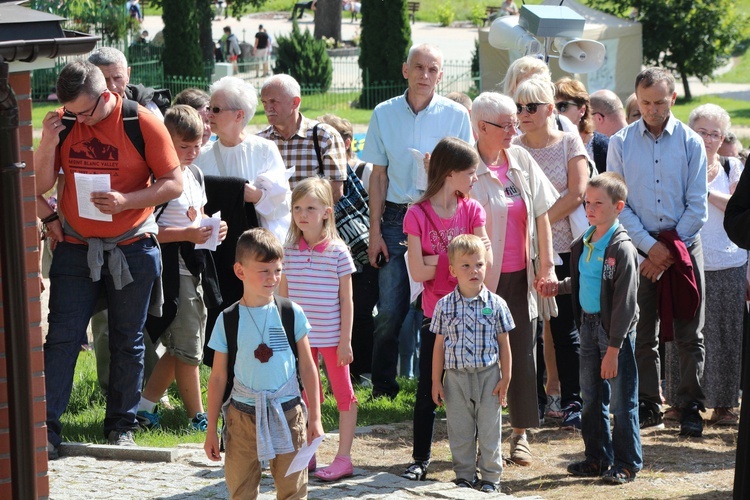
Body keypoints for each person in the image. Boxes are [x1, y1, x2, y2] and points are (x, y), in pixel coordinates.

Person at [36, 61, 182, 455]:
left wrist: (126, 201)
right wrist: (49, 140)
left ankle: (121, 426)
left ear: (107, 96)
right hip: (76, 247)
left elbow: (174, 183)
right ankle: (46, 430)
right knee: (63, 338)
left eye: (86, 112)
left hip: (132, 247)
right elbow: (40, 185)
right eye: (73, 112)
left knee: (127, 339)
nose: (81, 120)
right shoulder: (64, 123)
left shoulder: (142, 121)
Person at [361, 43, 472, 401]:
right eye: (419, 67)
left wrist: (436, 172)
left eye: (433, 69)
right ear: (405, 70)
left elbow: (466, 173)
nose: (425, 75)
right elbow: (378, 176)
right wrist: (374, 231)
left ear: (441, 75)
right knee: (390, 309)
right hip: (395, 215)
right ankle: (383, 387)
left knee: (445, 305)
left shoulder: (456, 115)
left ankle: (439, 385)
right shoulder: (383, 113)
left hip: (441, 216)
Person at [608, 67, 708, 437]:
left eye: (659, 102)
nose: (651, 109)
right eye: (645, 103)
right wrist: (650, 249)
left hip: (683, 246)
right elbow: (620, 204)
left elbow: (697, 206)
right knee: (641, 330)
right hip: (639, 249)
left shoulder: (691, 143)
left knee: (689, 330)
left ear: (673, 99)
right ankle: (649, 402)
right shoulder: (620, 143)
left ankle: (690, 403)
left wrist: (667, 251)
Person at [203, 228, 324, 498]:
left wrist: (314, 417)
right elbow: (218, 378)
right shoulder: (228, 319)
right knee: (241, 490)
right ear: (240, 271)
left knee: (293, 490)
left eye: (277, 270)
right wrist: (211, 429)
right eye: (264, 271)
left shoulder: (291, 313)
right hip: (241, 418)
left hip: (289, 414)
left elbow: (307, 367)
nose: (273, 278)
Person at [470, 91, 557, 466]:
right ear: (480, 127)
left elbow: (541, 214)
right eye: (505, 124)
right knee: (477, 355)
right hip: (478, 280)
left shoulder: (520, 158)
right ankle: (478, 433)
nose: (514, 129)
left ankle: (520, 433)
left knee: (522, 353)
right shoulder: (464, 163)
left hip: (521, 276)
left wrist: (548, 264)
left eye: (514, 122)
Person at [539, 172, 643, 485]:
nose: (590, 208)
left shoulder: (621, 248)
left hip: (615, 334)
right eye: (587, 202)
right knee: (591, 396)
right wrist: (558, 287)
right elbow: (587, 282)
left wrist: (613, 349)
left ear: (618, 206)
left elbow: (624, 304)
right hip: (587, 326)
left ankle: (626, 463)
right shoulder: (584, 241)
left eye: (599, 203)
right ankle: (597, 457)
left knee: (623, 402)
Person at [401, 136, 491, 481]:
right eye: (470, 172)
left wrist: (438, 260)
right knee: (429, 389)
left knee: (477, 392)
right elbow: (416, 271)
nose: (475, 179)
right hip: (435, 316)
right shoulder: (417, 214)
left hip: (474, 314)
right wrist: (459, 260)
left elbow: (487, 261)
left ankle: (481, 461)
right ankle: (420, 458)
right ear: (450, 173)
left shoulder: (472, 209)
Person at [136, 106, 228, 432]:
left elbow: (197, 217)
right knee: (189, 349)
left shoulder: (196, 174)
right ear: (165, 141)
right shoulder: (155, 176)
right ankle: (197, 418)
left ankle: (144, 408)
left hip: (195, 266)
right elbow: (146, 229)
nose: (191, 153)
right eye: (183, 147)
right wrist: (188, 234)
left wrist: (214, 229)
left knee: (182, 348)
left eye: (197, 145)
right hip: (170, 271)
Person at [512, 76, 588, 431]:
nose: (523, 114)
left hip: (567, 248)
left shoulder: (569, 141)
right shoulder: (513, 147)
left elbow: (577, 194)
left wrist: (538, 223)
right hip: (526, 251)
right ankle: (535, 402)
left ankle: (574, 399)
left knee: (564, 328)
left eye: (530, 107)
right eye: (518, 107)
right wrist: (532, 234)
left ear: (549, 109)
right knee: (528, 329)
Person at [663, 104, 746, 426]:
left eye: (715, 134)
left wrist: (705, 191)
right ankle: (678, 401)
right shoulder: (679, 166)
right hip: (686, 260)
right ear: (691, 131)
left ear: (723, 137)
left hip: (729, 260)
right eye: (702, 132)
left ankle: (724, 404)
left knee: (726, 335)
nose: (709, 139)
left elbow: (737, 207)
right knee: (682, 332)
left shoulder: (732, 167)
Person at [279, 178, 357, 481]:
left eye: (310, 208)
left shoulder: (338, 252)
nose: (302, 214)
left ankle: (344, 457)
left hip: (333, 339)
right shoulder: (288, 252)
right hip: (301, 342)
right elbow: (283, 300)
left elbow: (346, 300)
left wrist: (345, 340)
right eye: (297, 208)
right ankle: (308, 452)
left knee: (344, 395)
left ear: (326, 212)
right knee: (305, 397)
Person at [431, 234, 513, 493]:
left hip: (489, 376)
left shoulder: (497, 305)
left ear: (486, 266)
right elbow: (439, 346)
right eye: (465, 266)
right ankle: (464, 475)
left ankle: (491, 478)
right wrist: (436, 380)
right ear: (453, 270)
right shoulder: (444, 306)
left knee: (489, 430)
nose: (473, 271)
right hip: (455, 378)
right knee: (460, 430)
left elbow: (504, 343)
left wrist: (506, 377)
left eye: (478, 264)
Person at [317, 113, 378, 385]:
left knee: (361, 312)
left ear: (347, 142)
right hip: (331, 254)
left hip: (361, 254)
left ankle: (362, 370)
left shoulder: (363, 171)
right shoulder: (319, 175)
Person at [194, 76, 290, 242]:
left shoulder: (265, 150)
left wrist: (258, 196)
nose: (209, 115)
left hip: (258, 249)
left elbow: (285, 205)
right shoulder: (201, 155)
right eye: (209, 108)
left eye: (216, 109)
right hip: (217, 248)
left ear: (239, 115)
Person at [258, 74, 348, 199]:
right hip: (273, 217)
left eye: (273, 101)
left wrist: (303, 214)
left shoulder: (325, 136)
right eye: (264, 102)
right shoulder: (260, 141)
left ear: (294, 103)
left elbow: (335, 192)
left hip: (314, 217)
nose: (268, 108)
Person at [89, 47, 170, 120]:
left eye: (117, 78)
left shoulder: (145, 106)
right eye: (104, 80)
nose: (112, 86)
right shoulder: (82, 112)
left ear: (128, 74)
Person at [555, 77, 609, 173]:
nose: (556, 112)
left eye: (562, 106)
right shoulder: (547, 143)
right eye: (552, 107)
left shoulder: (601, 145)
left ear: (582, 110)